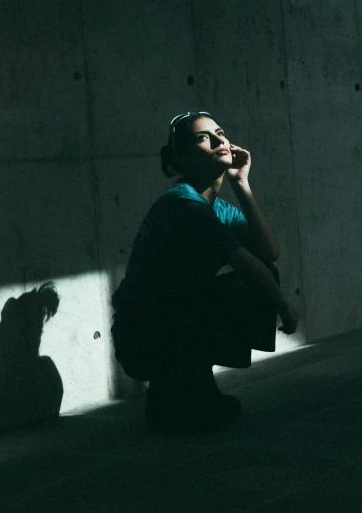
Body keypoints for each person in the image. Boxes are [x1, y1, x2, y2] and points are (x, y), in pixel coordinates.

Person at [111, 110, 299, 433]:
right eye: (203, 137)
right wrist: (284, 305)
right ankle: (176, 392)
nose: (219, 140)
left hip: (170, 322)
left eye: (220, 133)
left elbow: (269, 252)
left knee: (263, 278)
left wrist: (242, 183)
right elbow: (247, 264)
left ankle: (191, 387)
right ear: (184, 157)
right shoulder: (184, 205)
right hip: (142, 335)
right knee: (254, 283)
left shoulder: (216, 207)